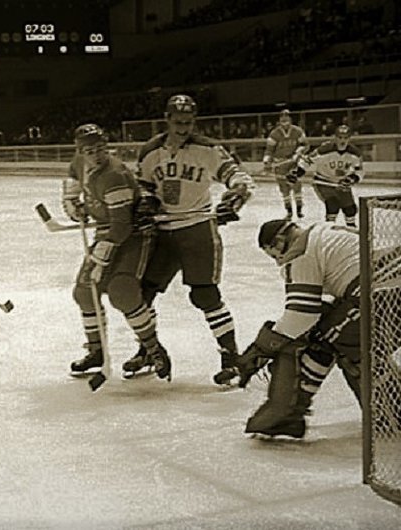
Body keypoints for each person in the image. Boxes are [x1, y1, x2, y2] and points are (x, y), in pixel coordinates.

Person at [134, 94, 254, 385]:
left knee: (205, 295)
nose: (184, 128)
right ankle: (148, 351)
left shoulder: (208, 149)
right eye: (178, 122)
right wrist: (147, 202)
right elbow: (144, 185)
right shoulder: (150, 151)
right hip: (163, 232)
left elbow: (239, 177)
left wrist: (235, 197)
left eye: (188, 123)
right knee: (143, 292)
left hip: (197, 227)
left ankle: (231, 357)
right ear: (167, 119)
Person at [237, 219, 363, 438]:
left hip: (380, 292)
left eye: (275, 255)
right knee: (344, 333)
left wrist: (262, 348)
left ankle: (286, 415)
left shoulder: (301, 252)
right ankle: (388, 405)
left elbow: (301, 315)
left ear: (280, 241)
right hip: (386, 281)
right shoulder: (324, 230)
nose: (279, 261)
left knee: (333, 340)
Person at [63, 124, 170, 379]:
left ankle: (153, 350)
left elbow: (121, 227)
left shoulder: (113, 174)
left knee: (122, 292)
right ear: (80, 150)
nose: (97, 155)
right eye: (90, 151)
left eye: (101, 149)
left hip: (134, 235)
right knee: (84, 292)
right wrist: (72, 205)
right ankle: (96, 350)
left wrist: (100, 257)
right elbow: (72, 186)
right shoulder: (79, 163)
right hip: (106, 231)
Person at [288, 125, 364, 227]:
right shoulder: (324, 150)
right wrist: (297, 173)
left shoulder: (355, 154)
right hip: (323, 181)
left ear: (349, 139)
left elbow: (359, 171)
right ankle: (329, 231)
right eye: (340, 138)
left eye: (345, 138)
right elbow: (307, 161)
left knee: (350, 210)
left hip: (341, 183)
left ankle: (352, 231)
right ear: (335, 138)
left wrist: (352, 179)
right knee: (332, 206)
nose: (342, 141)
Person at [262, 109, 308, 220]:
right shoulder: (274, 134)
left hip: (293, 163)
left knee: (296, 185)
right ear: (279, 120)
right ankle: (289, 211)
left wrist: (299, 152)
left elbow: (305, 145)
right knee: (284, 188)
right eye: (282, 118)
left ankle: (299, 209)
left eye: (287, 117)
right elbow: (269, 150)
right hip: (280, 164)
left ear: (290, 119)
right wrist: (267, 160)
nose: (284, 120)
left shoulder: (298, 131)